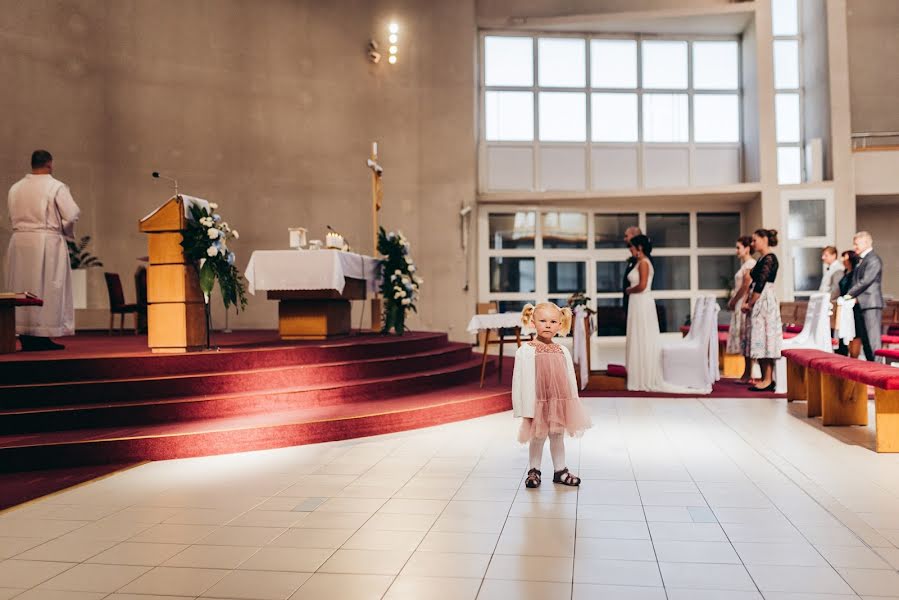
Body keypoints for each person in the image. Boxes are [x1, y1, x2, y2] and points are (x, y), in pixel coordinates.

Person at [5, 150, 80, 351]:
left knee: (22, 286)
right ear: (49, 164)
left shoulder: (16, 188)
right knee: (47, 286)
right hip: (46, 241)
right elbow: (72, 214)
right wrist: (64, 231)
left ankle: (25, 333)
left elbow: (11, 216)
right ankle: (43, 334)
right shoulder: (55, 186)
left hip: (20, 242)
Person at [512, 302, 591, 489]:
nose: (548, 325)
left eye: (553, 321)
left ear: (560, 324)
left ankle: (560, 470)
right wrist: (520, 407)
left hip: (559, 401)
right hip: (536, 402)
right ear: (533, 322)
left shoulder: (562, 350)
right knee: (537, 436)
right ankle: (534, 470)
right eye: (543, 320)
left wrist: (573, 402)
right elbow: (518, 381)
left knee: (557, 435)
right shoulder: (524, 351)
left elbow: (570, 378)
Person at [624, 235, 706, 393]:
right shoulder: (640, 262)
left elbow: (641, 286)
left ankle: (644, 377)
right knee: (638, 336)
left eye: (632, 247)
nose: (630, 250)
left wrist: (628, 290)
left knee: (643, 337)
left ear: (639, 247)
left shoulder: (644, 263)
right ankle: (638, 375)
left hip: (641, 301)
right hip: (638, 303)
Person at [742, 229, 782, 391]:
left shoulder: (770, 259)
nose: (752, 244)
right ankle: (765, 377)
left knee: (765, 337)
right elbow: (752, 281)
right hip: (759, 299)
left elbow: (761, 283)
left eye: (754, 240)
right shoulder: (761, 259)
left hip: (764, 301)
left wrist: (750, 303)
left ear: (764, 239)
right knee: (759, 337)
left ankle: (768, 379)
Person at [845, 231, 884, 361]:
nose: (854, 247)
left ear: (867, 243)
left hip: (870, 305)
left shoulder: (873, 259)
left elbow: (866, 281)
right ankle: (870, 371)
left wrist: (848, 295)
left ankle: (878, 372)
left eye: (857, 244)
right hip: (861, 304)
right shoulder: (860, 260)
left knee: (873, 341)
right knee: (865, 341)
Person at [726, 236, 757, 383]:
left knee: (746, 337)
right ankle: (746, 372)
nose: (736, 250)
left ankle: (748, 373)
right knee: (743, 337)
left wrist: (734, 300)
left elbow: (746, 286)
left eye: (739, 247)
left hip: (743, 303)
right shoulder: (744, 264)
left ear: (747, 248)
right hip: (740, 303)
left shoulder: (750, 264)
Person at [835, 250, 861, 357]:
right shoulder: (845, 272)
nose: (842, 260)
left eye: (844, 257)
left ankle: (854, 358)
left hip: (853, 307)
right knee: (844, 335)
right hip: (844, 305)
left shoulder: (856, 273)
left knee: (854, 333)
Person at [621, 226, 642, 313]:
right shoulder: (633, 259)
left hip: (638, 303)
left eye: (626, 236)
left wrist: (629, 290)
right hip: (630, 302)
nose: (624, 239)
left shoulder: (642, 260)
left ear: (634, 236)